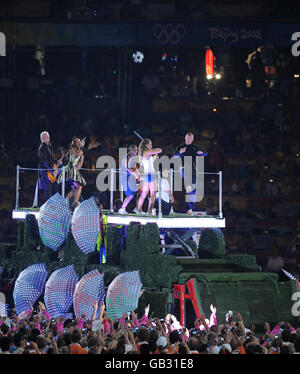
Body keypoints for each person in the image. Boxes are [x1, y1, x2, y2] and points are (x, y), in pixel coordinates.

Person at [174, 132, 207, 215]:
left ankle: (191, 208)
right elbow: (174, 156)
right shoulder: (181, 147)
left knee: (193, 189)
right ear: (185, 138)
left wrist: (201, 153)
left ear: (192, 139)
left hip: (193, 170)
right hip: (183, 168)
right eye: (187, 138)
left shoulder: (195, 147)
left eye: (190, 138)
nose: (189, 140)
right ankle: (191, 207)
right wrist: (179, 152)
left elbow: (205, 153)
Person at [57, 137, 86, 210]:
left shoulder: (80, 152)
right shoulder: (73, 150)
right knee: (78, 186)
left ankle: (70, 202)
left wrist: (82, 159)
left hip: (75, 170)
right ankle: (75, 203)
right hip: (70, 170)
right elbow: (77, 156)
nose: (79, 143)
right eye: (78, 142)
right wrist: (82, 147)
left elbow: (79, 166)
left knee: (77, 187)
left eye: (80, 142)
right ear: (75, 144)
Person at [137, 139, 162, 215]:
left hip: (146, 174)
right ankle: (149, 211)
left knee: (144, 194)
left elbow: (150, 162)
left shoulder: (144, 153)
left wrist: (154, 155)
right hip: (151, 174)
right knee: (152, 194)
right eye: (150, 144)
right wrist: (153, 150)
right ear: (146, 145)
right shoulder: (147, 152)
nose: (151, 145)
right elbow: (160, 150)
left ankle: (139, 211)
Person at [38, 131, 63, 204]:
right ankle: (47, 206)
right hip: (45, 170)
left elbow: (50, 159)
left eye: (47, 137)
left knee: (55, 187)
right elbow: (45, 161)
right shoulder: (42, 147)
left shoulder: (49, 146)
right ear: (41, 139)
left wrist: (57, 162)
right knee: (48, 189)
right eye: (44, 137)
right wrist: (52, 170)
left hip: (50, 169)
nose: (46, 138)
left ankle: (53, 205)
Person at [118, 145, 140, 214]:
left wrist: (138, 174)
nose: (135, 152)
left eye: (136, 150)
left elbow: (136, 168)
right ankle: (121, 210)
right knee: (130, 195)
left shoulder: (134, 159)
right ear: (130, 150)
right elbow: (128, 168)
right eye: (133, 150)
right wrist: (135, 175)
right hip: (125, 178)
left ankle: (137, 209)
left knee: (138, 193)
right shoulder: (126, 158)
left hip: (131, 179)